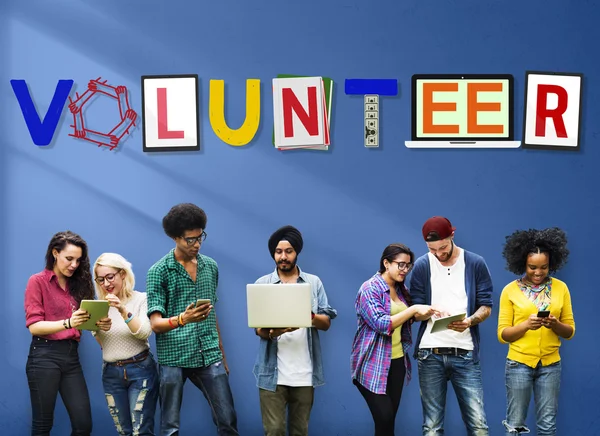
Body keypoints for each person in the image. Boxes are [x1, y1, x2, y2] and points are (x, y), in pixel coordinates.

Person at [146, 203, 238, 436]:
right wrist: (183, 319)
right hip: (173, 357)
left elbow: (211, 312)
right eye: (190, 240)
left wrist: (221, 354)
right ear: (175, 238)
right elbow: (155, 324)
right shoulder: (158, 271)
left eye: (200, 237)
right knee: (170, 428)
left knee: (227, 421)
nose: (197, 244)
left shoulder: (211, 267)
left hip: (208, 353)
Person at [408, 216, 493, 436]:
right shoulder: (422, 265)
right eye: (432, 249)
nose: (439, 253)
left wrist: (469, 321)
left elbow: (486, 306)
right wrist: (426, 310)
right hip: (429, 354)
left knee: (479, 426)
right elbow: (415, 312)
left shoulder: (475, 263)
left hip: (465, 354)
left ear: (452, 236)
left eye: (443, 247)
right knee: (432, 427)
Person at [24, 230, 112, 436]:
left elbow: (86, 324)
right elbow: (34, 326)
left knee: (83, 425)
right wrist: (68, 322)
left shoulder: (79, 286)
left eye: (78, 260)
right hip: (44, 356)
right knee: (43, 425)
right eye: (69, 258)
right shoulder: (37, 281)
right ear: (55, 253)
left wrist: (99, 324)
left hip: (71, 358)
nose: (74, 265)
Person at [253, 225, 337, 436]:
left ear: (296, 252)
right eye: (279, 252)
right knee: (274, 431)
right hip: (272, 374)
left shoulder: (313, 282)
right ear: (273, 253)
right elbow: (259, 330)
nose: (283, 257)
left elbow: (326, 323)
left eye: (288, 251)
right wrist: (274, 332)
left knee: (300, 431)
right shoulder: (262, 284)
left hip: (304, 374)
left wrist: (308, 316)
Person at [350, 243, 437, 436]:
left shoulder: (400, 288)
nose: (405, 270)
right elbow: (382, 324)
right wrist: (414, 309)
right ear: (386, 263)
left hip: (397, 362)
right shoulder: (369, 289)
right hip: (372, 364)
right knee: (385, 417)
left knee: (387, 425)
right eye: (401, 265)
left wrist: (430, 312)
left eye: (408, 265)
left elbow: (409, 317)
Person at [497, 227, 575, 436]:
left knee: (547, 426)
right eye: (532, 267)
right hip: (518, 365)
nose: (538, 272)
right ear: (522, 262)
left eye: (544, 267)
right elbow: (503, 335)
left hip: (551, 365)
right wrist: (525, 326)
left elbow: (569, 331)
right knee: (515, 426)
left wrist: (555, 324)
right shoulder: (510, 290)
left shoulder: (561, 288)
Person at [92, 252, 159, 436]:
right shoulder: (99, 306)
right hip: (111, 373)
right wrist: (98, 328)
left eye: (110, 277)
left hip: (141, 370)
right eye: (100, 280)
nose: (106, 284)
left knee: (141, 432)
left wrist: (122, 310)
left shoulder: (141, 299)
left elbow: (145, 332)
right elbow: (102, 343)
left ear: (122, 273)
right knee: (124, 432)